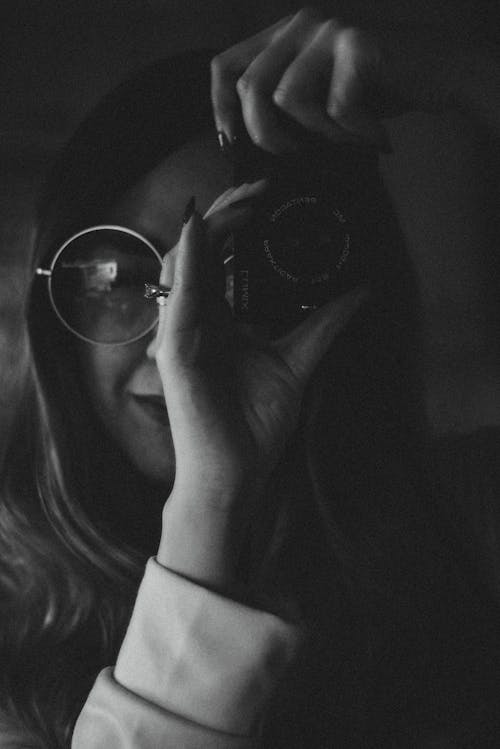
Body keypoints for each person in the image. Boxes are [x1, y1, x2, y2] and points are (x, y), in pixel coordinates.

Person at [1, 8, 499, 748]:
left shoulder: (473, 526)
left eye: (232, 268)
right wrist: (212, 503)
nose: (179, 337)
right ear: (52, 310)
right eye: (121, 274)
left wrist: (474, 68)